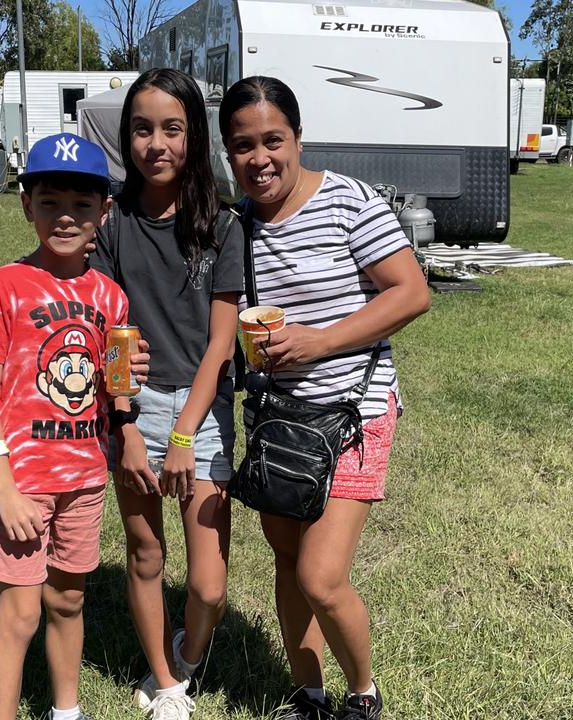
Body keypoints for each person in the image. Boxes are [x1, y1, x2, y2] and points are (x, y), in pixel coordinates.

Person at [217, 77, 431, 720]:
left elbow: (410, 292)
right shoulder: (239, 225)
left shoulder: (348, 202)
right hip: (276, 419)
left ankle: (362, 694)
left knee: (321, 576)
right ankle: (307, 694)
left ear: (298, 138)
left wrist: (321, 342)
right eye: (242, 146)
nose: (260, 159)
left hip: (353, 415)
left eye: (273, 141)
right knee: (287, 560)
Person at [0, 132, 133, 720]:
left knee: (66, 600)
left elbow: (110, 387)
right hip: (23, 482)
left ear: (103, 213)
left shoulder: (110, 296)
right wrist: (2, 485)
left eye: (82, 206)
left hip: (85, 476)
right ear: (25, 204)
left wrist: (129, 374)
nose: (66, 217)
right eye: (50, 201)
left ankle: (66, 711)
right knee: (21, 612)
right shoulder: (2, 285)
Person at [91, 68, 244, 720]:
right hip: (130, 412)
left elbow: (220, 345)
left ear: (194, 136)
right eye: (142, 128)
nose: (157, 142)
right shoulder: (112, 223)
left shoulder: (222, 227)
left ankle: (183, 654)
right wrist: (125, 427)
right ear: (127, 137)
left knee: (208, 586)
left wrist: (184, 434)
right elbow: (110, 334)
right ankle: (167, 683)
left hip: (201, 415)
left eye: (172, 128)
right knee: (146, 553)